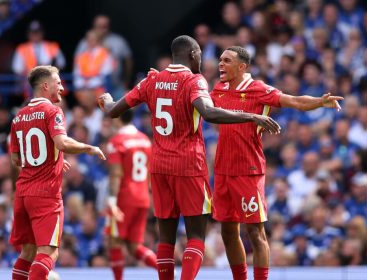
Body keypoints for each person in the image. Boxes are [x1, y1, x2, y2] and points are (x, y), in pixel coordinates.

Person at [98, 35, 280, 280]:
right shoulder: (194, 81)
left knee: (165, 237)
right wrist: (251, 116)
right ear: (193, 55)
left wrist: (108, 99)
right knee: (196, 235)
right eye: (201, 56)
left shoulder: (151, 80)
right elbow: (209, 113)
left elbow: (111, 110)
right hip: (188, 165)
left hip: (160, 166)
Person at [210, 46, 343, 280]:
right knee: (228, 232)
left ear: (242, 66)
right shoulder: (218, 89)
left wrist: (320, 102)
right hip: (222, 170)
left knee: (255, 231)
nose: (221, 64)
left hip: (248, 171)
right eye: (220, 59)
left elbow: (294, 101)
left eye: (227, 60)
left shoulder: (257, 89)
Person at [9, 65, 106, 280]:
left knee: (27, 253)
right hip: (45, 195)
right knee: (49, 253)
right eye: (58, 83)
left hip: (23, 193)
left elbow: (17, 158)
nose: (62, 87)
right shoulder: (52, 111)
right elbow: (61, 143)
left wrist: (49, 159)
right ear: (45, 86)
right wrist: (88, 147)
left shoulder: (18, 117)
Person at [105, 109, 157, 279]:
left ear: (118, 118)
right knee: (134, 246)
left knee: (114, 240)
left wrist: (112, 201)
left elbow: (116, 175)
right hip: (142, 196)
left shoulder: (116, 142)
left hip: (124, 198)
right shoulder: (145, 140)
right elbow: (149, 172)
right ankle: (168, 272)